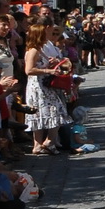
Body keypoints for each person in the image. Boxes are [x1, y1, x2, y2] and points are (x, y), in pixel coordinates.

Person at [21, 19, 71, 157]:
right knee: (54, 111)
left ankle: (38, 145)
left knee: (44, 114)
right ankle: (48, 141)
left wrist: (52, 64)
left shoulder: (39, 49)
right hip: (38, 86)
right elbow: (29, 70)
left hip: (44, 85)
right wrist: (48, 71)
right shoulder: (32, 51)